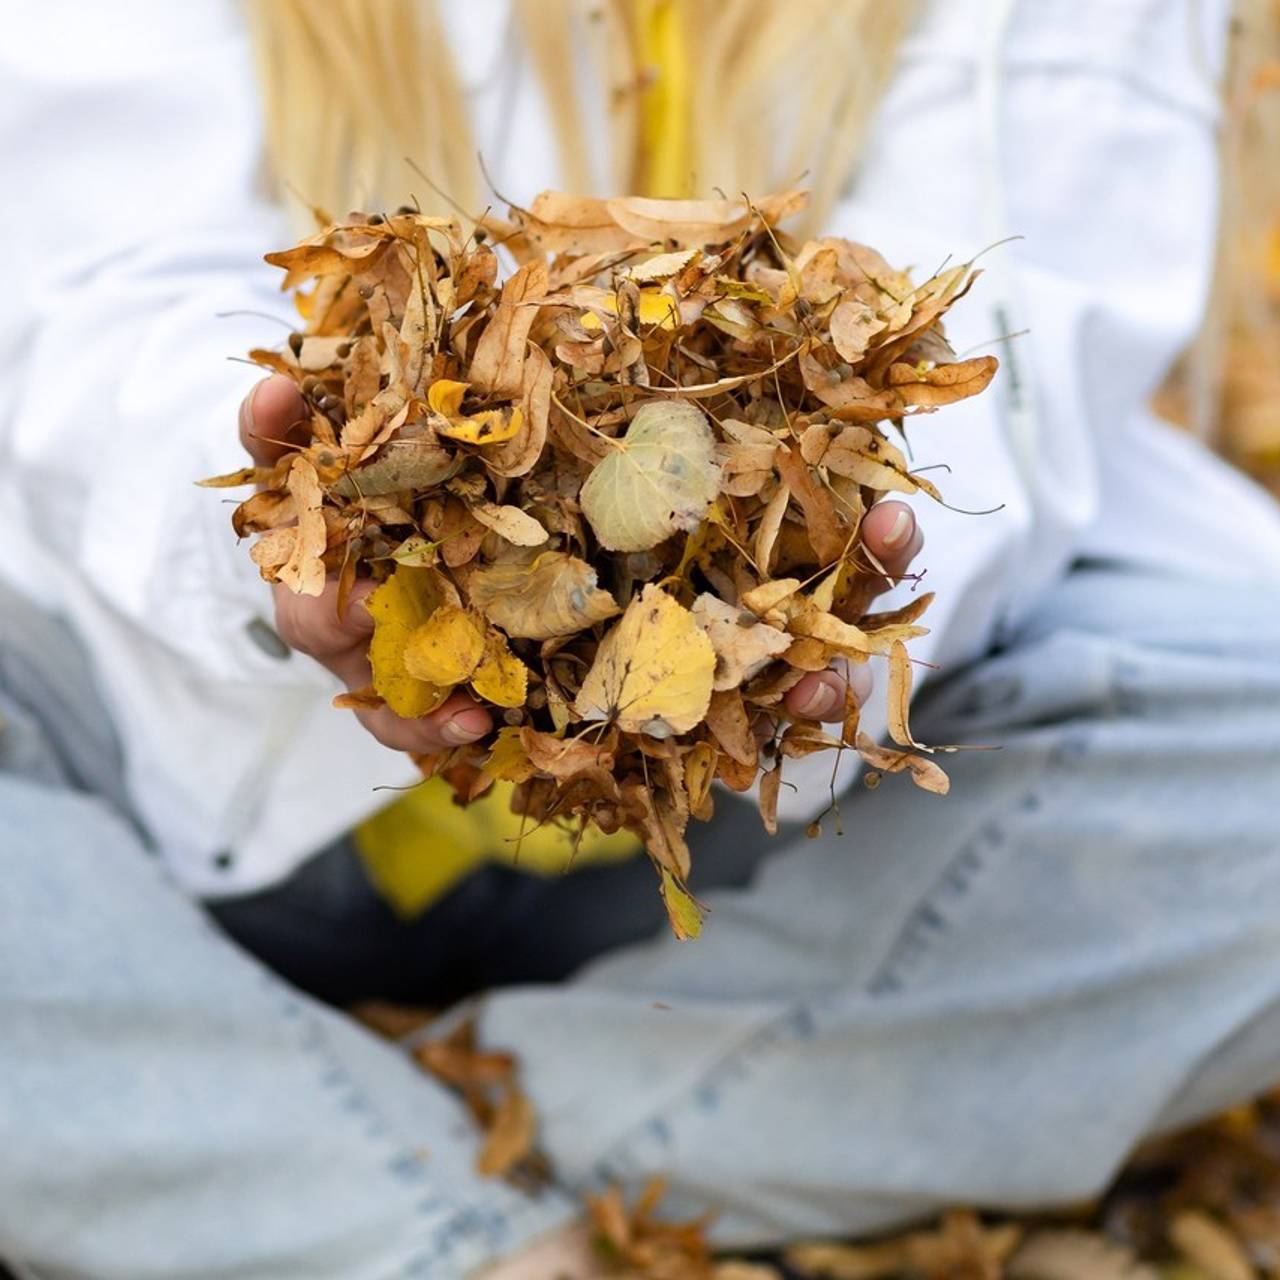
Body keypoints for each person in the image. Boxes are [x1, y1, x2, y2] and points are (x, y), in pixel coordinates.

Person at [4, 1, 1280, 1276]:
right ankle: (457, 1203)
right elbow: (85, 287)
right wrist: (299, 519)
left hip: (757, 832)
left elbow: (1009, 316)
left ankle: (302, 1137)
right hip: (174, 753)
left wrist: (801, 557)